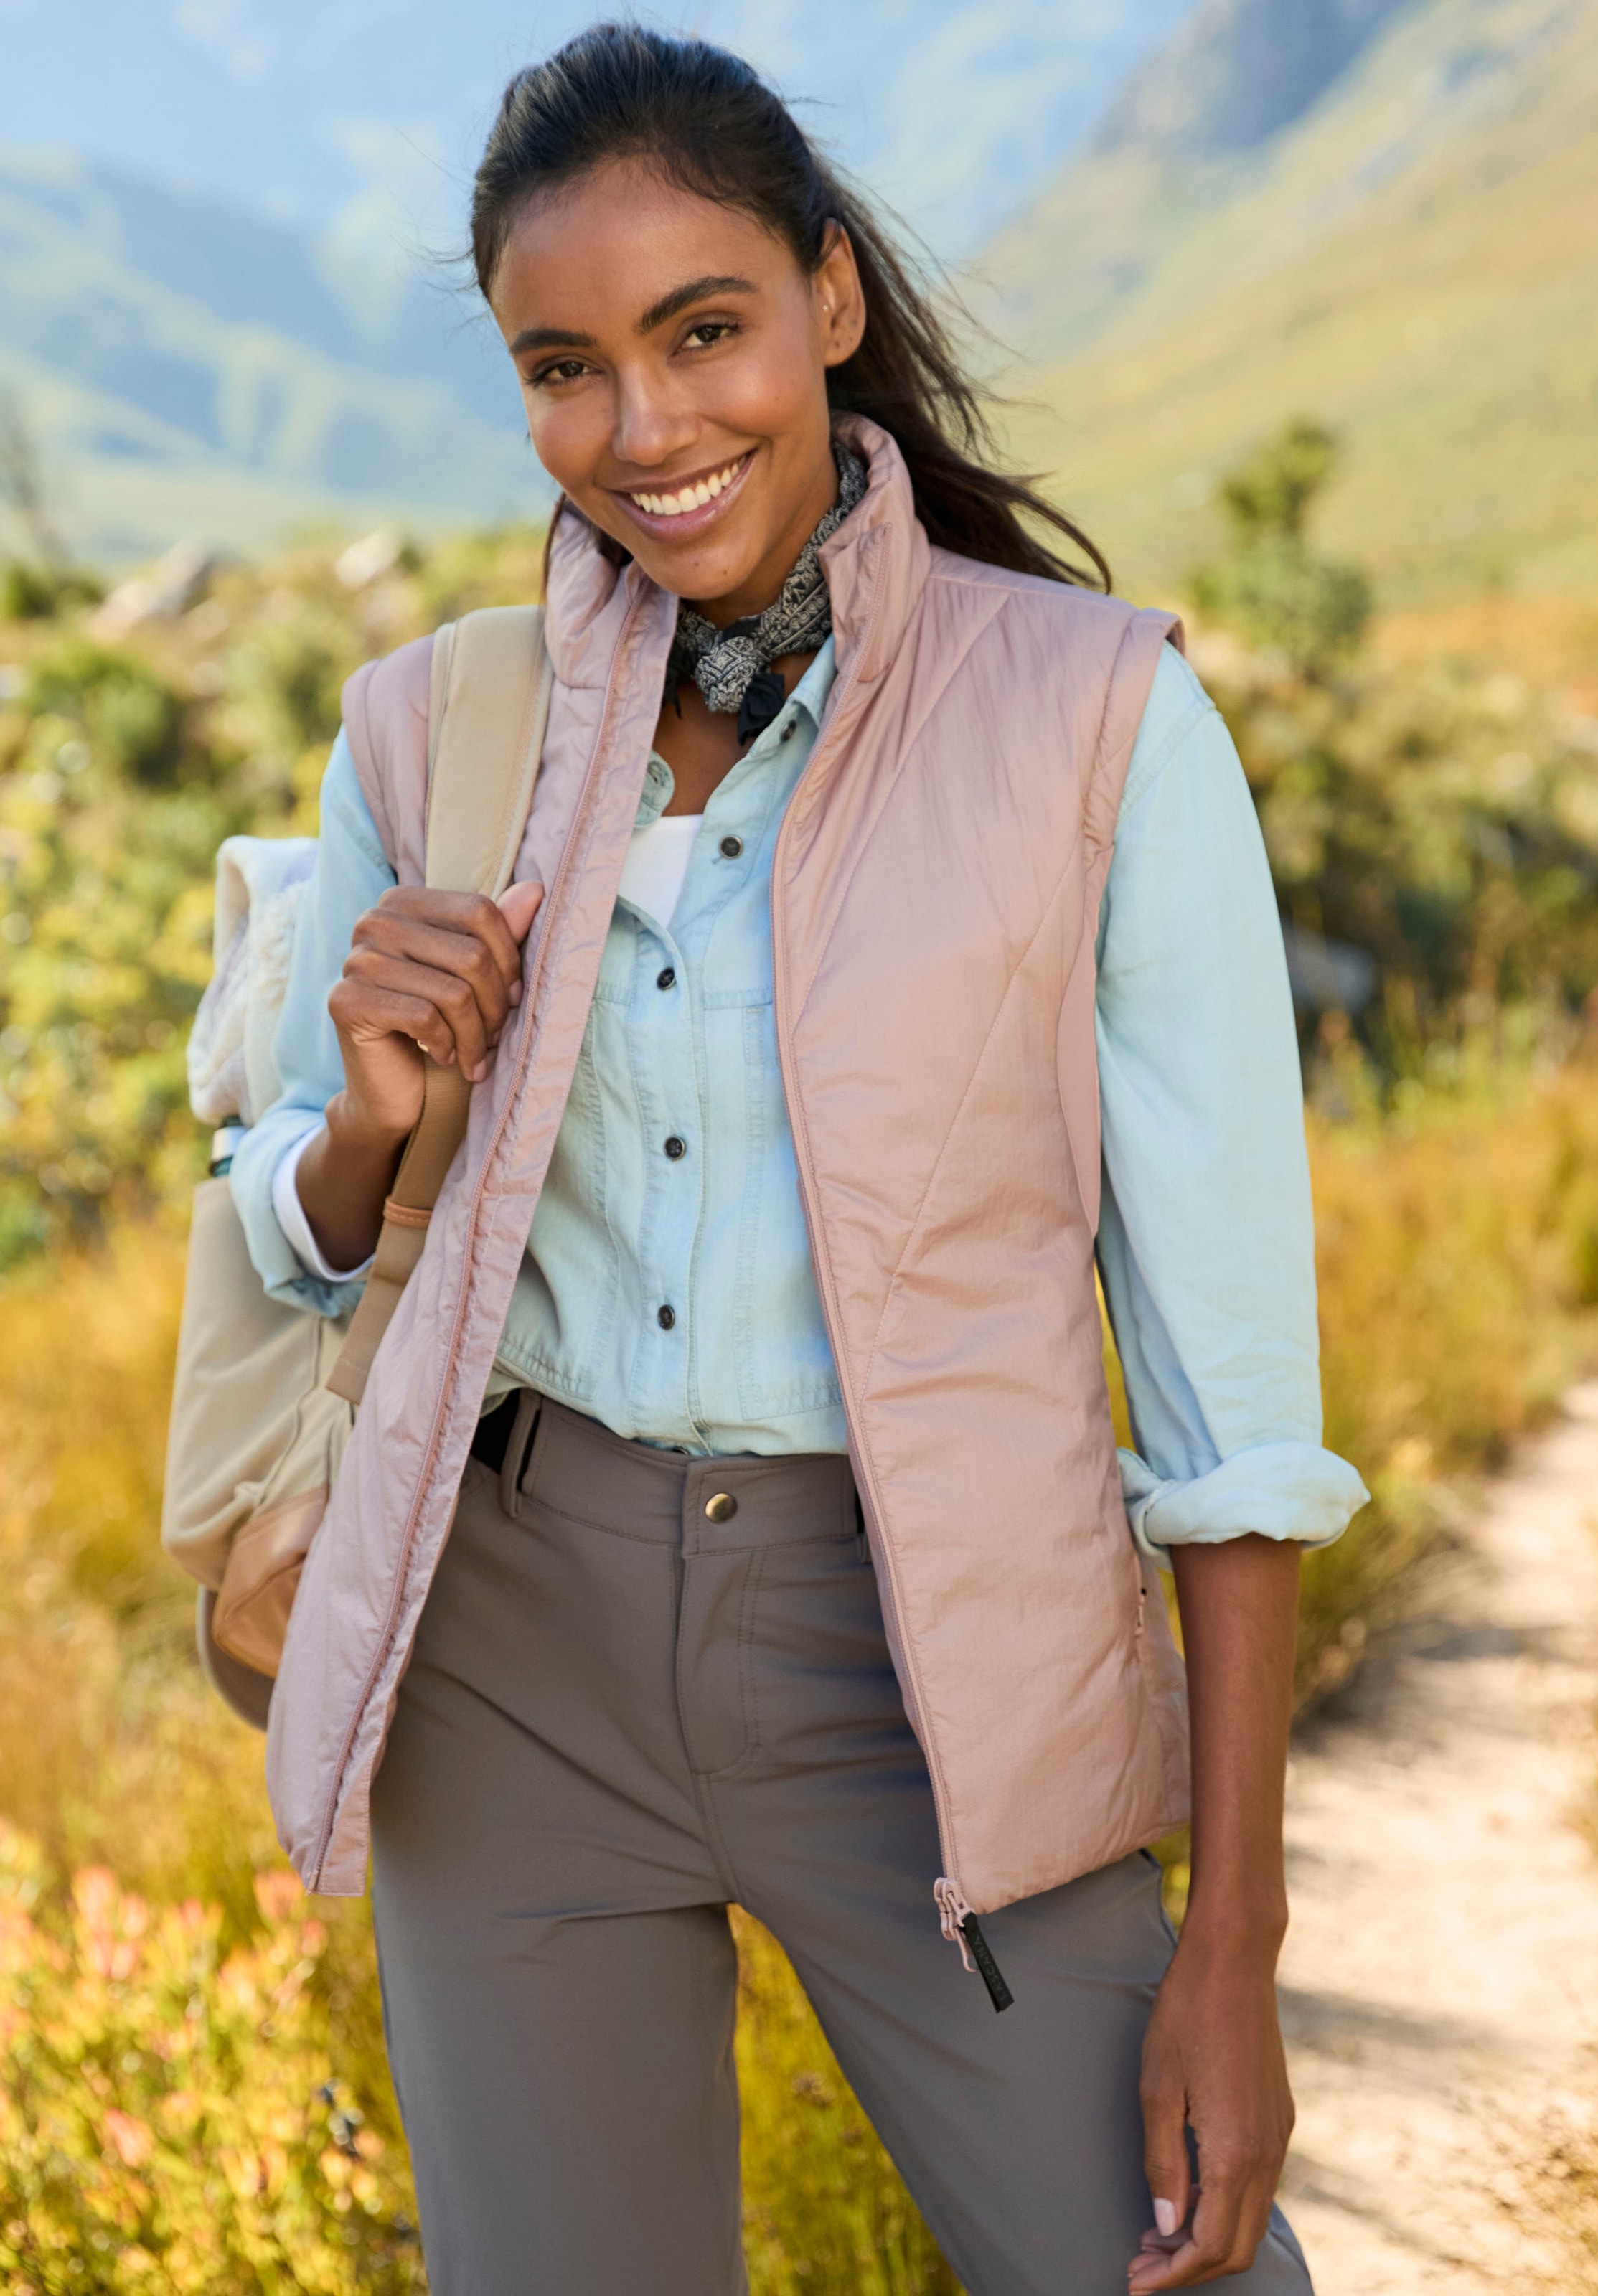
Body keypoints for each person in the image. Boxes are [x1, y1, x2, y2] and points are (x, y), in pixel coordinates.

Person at [233, 24, 1366, 2295]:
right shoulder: (428, 731)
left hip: (935, 1659)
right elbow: (294, 1233)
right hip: (508, 1661)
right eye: (566, 366)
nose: (645, 431)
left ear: (830, 301)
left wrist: (1230, 1949)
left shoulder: (1098, 719)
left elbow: (1237, 1415)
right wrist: (365, 1119)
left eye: (703, 331)